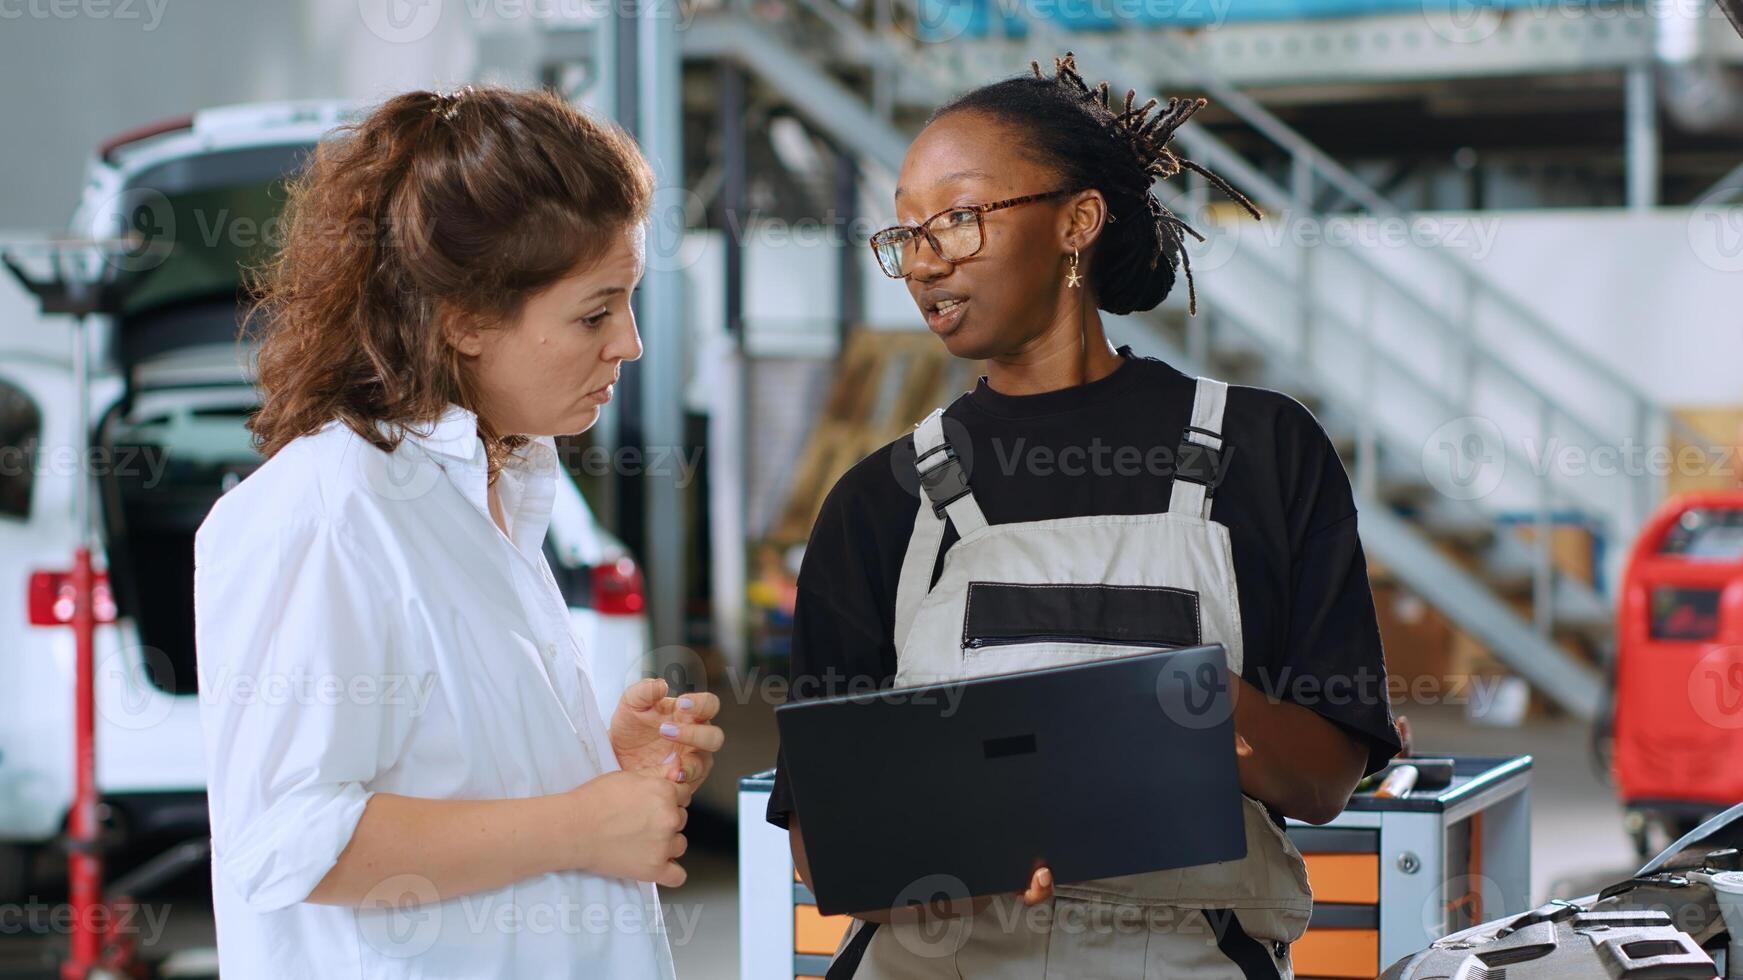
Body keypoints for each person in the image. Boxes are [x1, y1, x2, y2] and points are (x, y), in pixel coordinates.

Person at [765, 53, 1402, 978]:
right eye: (905, 232)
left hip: (1185, 955)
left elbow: (1323, 779)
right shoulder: (880, 501)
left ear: (1077, 221)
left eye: (957, 217)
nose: (924, 260)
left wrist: (1184, 705)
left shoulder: (1263, 451)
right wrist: (960, 844)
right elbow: (825, 853)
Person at [193, 86, 722, 978]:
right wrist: (582, 822)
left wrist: (602, 765)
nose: (627, 344)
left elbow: (442, 777)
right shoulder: (326, 510)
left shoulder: (496, 482)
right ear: (463, 320)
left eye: (626, 302)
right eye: (594, 313)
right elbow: (285, 841)